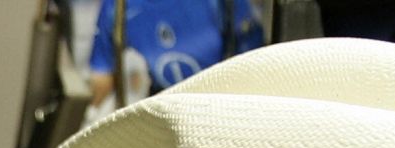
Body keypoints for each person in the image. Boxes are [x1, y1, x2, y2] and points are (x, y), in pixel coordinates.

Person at [87, 0, 265, 107]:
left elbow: (257, 65)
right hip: (158, 118)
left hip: (221, 109)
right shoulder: (117, 6)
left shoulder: (223, 4)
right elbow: (101, 81)